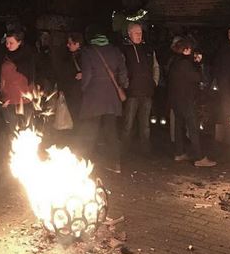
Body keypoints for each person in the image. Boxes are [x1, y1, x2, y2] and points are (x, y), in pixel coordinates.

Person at [78, 30, 128, 173]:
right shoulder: (115, 51)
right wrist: (122, 86)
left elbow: (87, 74)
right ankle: (115, 163)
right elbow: (123, 70)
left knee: (91, 129)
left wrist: (84, 88)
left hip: (94, 94)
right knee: (111, 129)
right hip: (111, 94)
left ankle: (84, 161)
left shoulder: (88, 52)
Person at [168, 37, 216, 167]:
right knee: (193, 127)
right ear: (186, 49)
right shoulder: (185, 64)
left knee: (179, 125)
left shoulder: (174, 61)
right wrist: (199, 64)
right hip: (186, 99)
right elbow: (198, 78)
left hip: (176, 99)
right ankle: (199, 157)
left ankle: (179, 153)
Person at [121, 23, 160, 156]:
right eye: (136, 33)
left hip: (147, 91)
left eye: (140, 32)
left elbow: (155, 66)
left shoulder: (148, 49)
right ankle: (125, 150)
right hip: (132, 92)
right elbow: (122, 69)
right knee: (128, 123)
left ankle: (145, 150)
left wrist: (154, 82)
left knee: (145, 124)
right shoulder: (125, 50)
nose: (139, 35)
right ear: (129, 34)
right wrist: (126, 84)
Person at [0, 30, 35, 135]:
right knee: (12, 132)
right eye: (6, 43)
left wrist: (32, 94)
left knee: (26, 132)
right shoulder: (2, 55)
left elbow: (32, 77)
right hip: (8, 100)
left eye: (11, 43)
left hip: (24, 101)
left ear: (19, 42)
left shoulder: (27, 55)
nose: (8, 45)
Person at [59, 33, 84, 121]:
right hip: (71, 90)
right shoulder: (68, 55)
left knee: (77, 113)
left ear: (77, 44)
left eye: (70, 43)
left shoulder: (84, 56)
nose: (67, 45)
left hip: (78, 91)